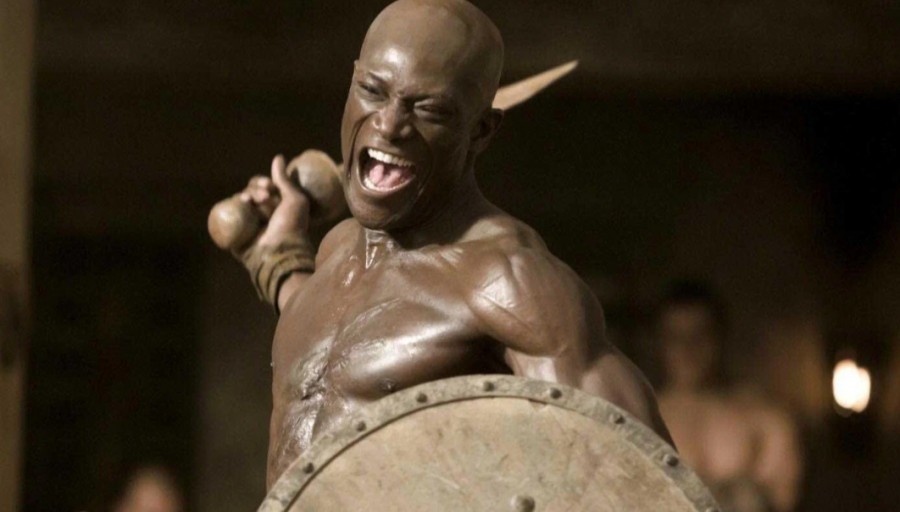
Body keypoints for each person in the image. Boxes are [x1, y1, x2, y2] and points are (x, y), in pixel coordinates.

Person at [223, 0, 671, 488]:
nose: (389, 125)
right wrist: (276, 255)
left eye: (429, 109)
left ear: (481, 131)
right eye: (372, 91)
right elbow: (341, 345)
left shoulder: (512, 280)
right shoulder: (336, 251)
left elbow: (647, 479)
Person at [656, 281, 803, 512]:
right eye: (676, 337)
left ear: (720, 338)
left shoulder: (764, 417)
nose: (688, 348)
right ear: (661, 343)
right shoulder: (644, 418)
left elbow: (783, 499)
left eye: (700, 335)